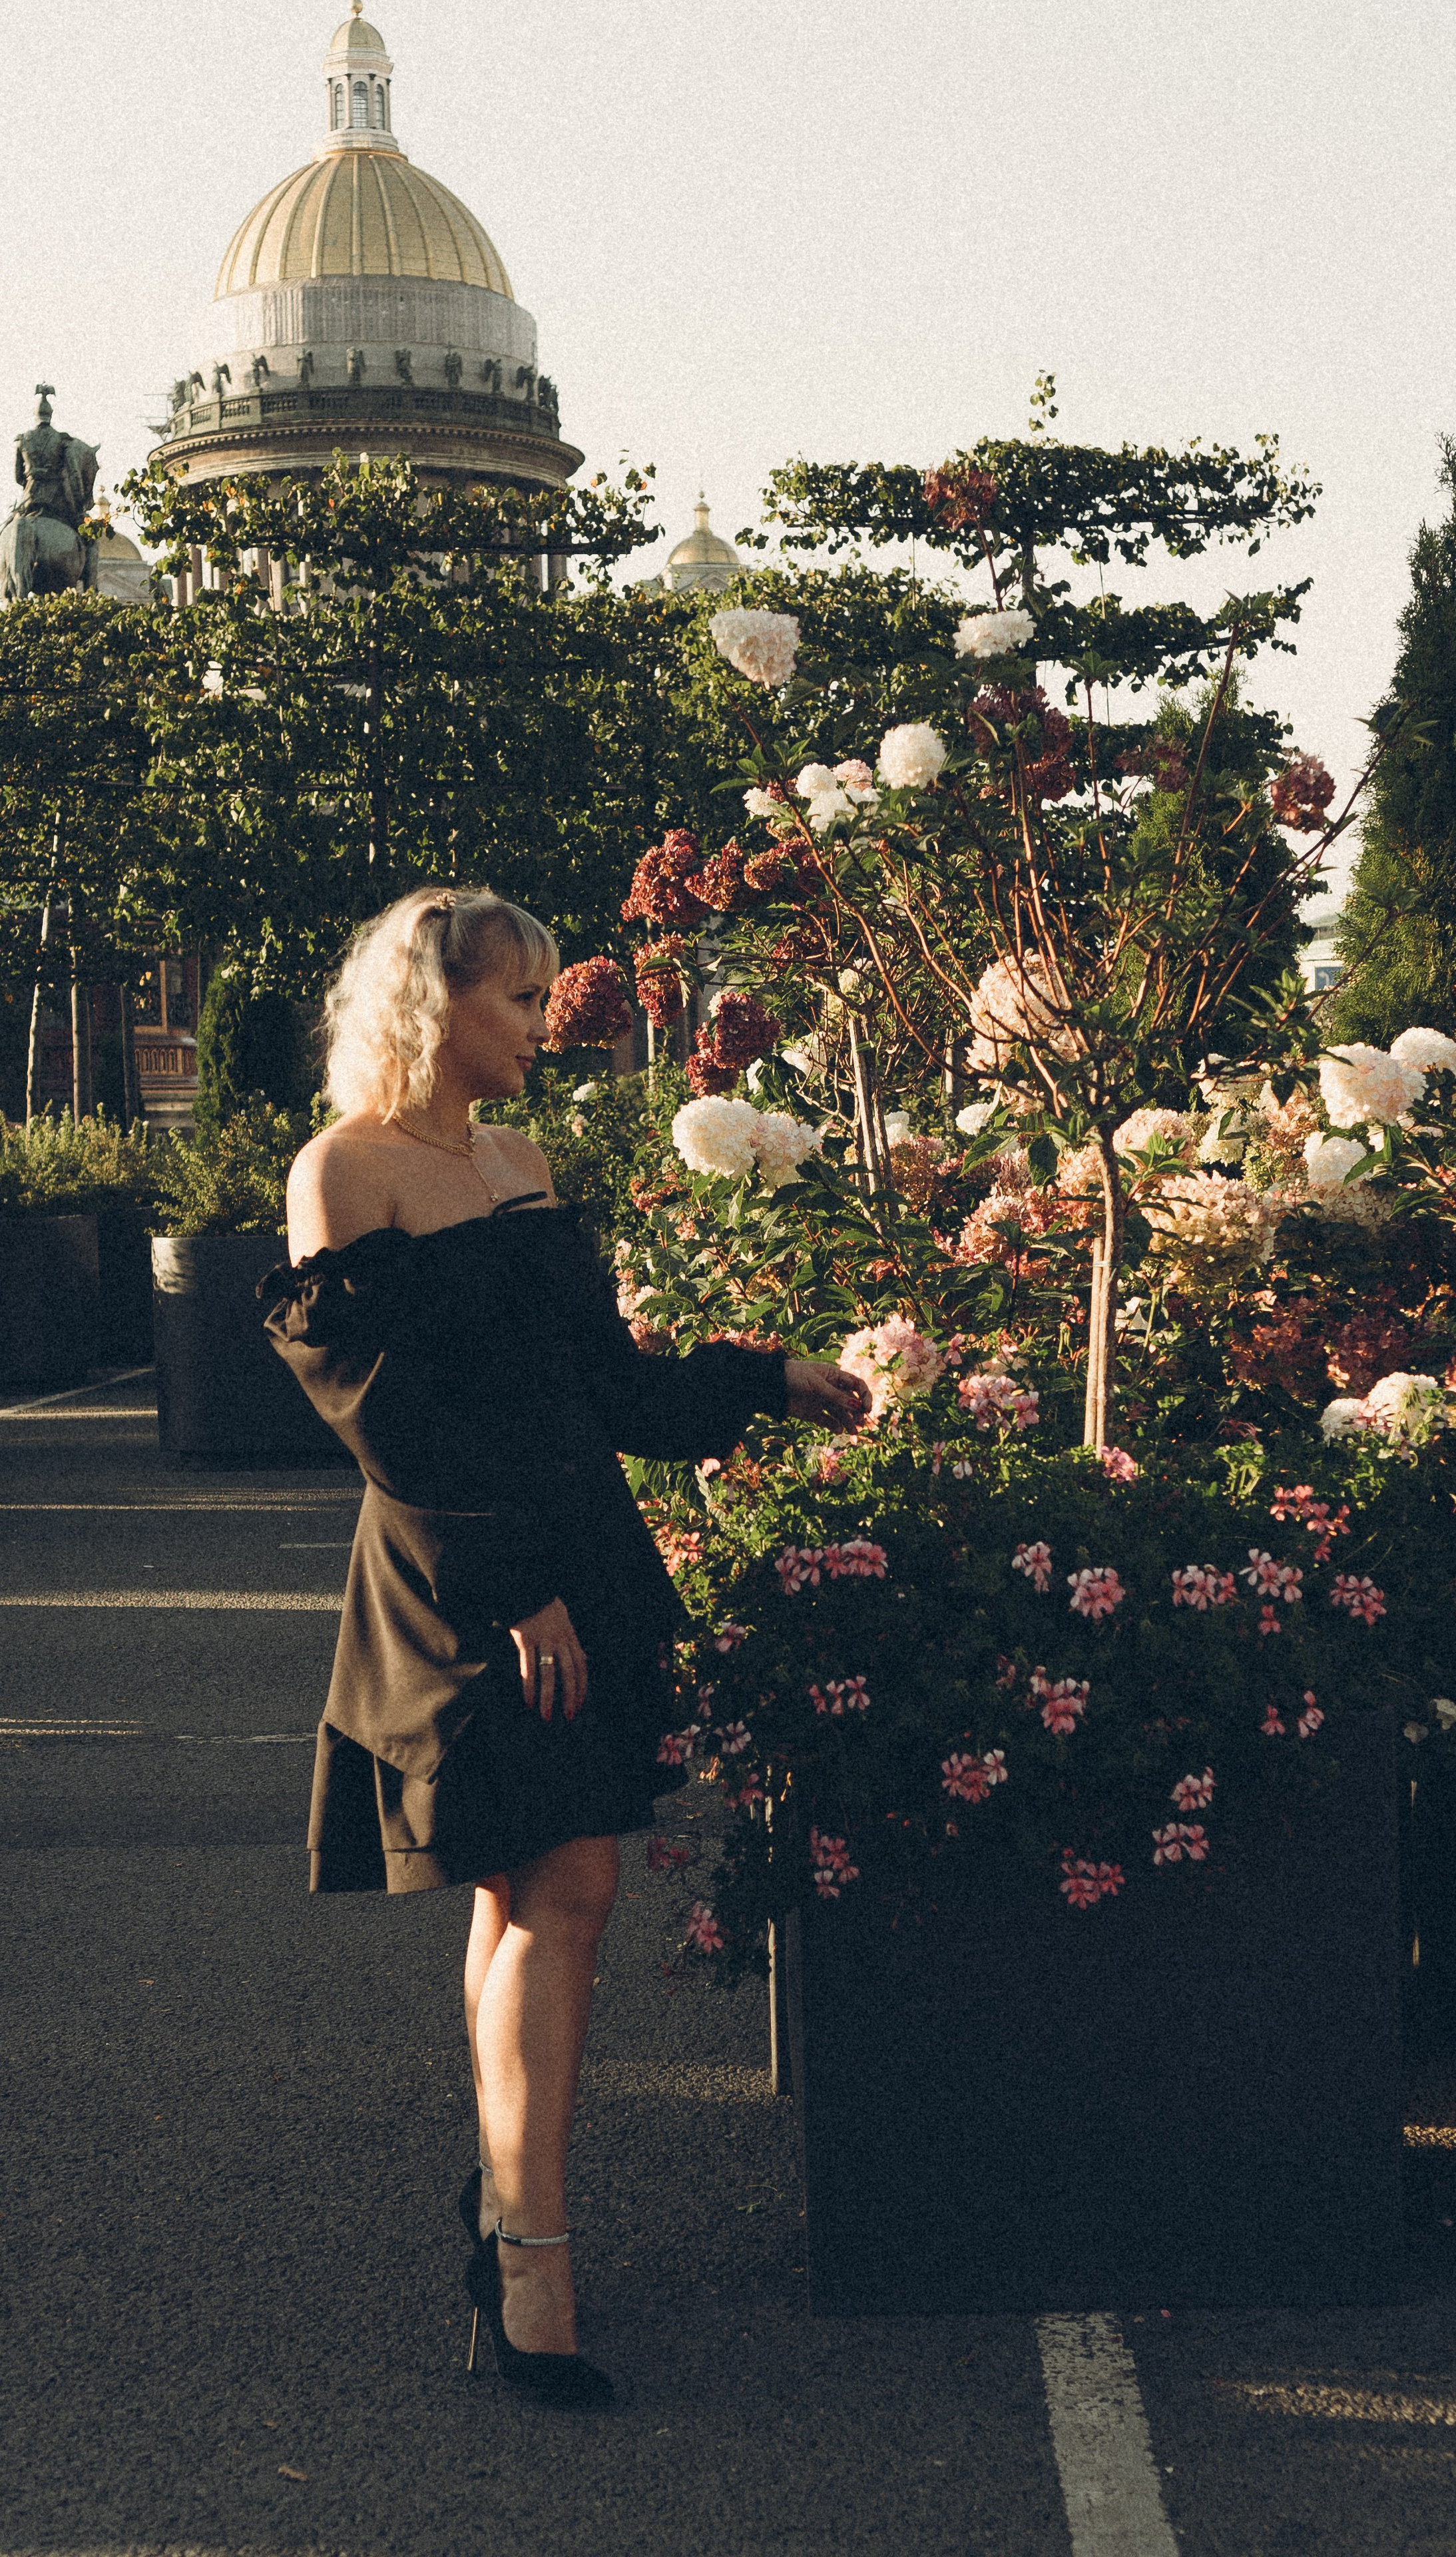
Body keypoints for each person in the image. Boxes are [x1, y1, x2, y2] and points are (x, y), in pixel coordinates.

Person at [264, 885, 869, 2408]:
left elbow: (592, 1384)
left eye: (540, 997)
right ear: (433, 1007)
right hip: (464, 1570)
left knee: (533, 1880)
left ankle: (506, 2208)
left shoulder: (518, 1164)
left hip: (574, 1555)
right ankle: (532, 2246)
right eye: (517, 998)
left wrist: (764, 1377)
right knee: (568, 1881)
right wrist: (513, 1587)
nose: (544, 1023)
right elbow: (382, 1417)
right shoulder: (344, 1170)